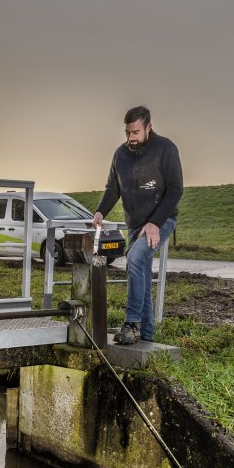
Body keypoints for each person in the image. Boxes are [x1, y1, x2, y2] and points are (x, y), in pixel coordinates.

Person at [93, 105, 183, 345]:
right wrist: (101, 210)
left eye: (135, 132)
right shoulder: (120, 154)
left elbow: (176, 190)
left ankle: (132, 323)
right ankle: (146, 335)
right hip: (135, 224)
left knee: (134, 259)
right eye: (127, 133)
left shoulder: (165, 149)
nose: (131, 138)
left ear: (148, 127)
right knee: (140, 269)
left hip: (160, 221)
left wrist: (155, 223)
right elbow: (113, 188)